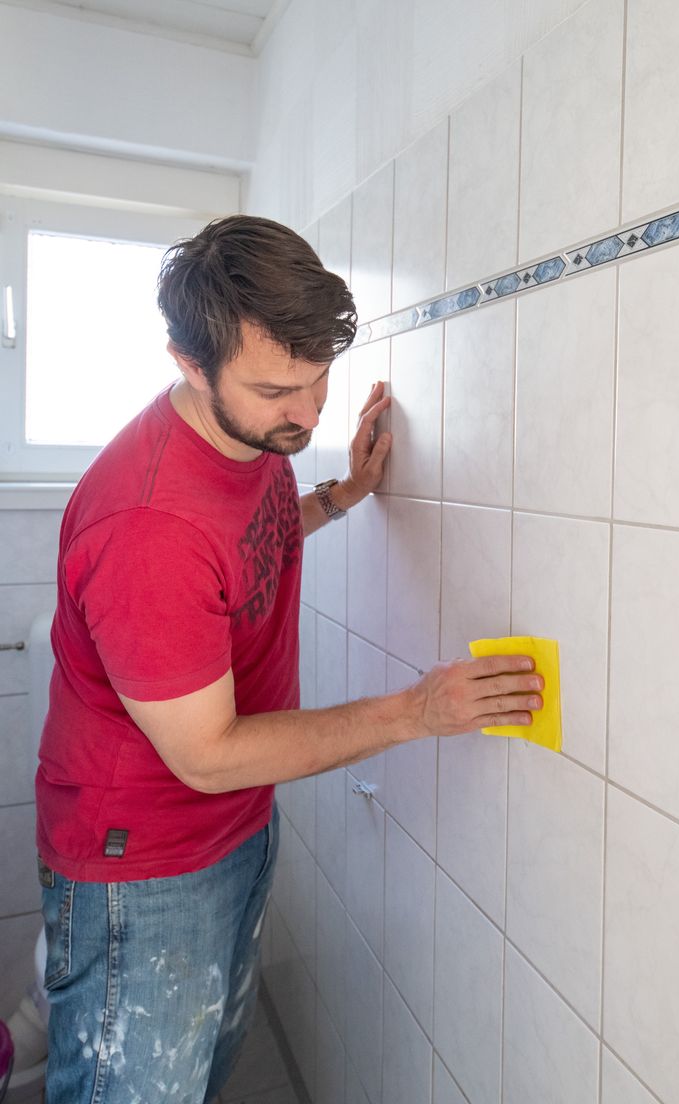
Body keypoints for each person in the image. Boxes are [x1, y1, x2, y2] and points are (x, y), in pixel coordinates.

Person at [35, 215, 544, 1104]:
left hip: (232, 827)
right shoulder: (149, 525)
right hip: (143, 862)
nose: (307, 413)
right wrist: (418, 712)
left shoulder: (246, 438)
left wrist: (340, 495)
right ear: (186, 362)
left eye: (318, 380)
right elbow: (207, 752)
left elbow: (250, 545)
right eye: (279, 390)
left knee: (205, 1071)